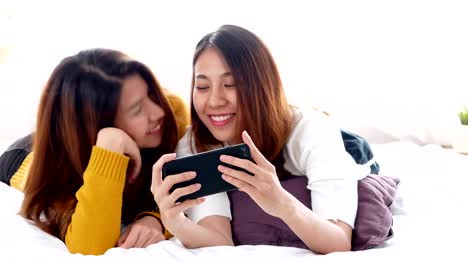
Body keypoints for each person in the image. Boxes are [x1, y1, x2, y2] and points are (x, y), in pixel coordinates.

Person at [167, 25, 369, 254]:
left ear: (261, 86)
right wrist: (175, 222)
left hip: (347, 147)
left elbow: (339, 241)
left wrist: (281, 203)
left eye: (230, 84)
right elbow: (219, 240)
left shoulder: (312, 131)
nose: (214, 101)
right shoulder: (194, 143)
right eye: (202, 86)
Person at [0, 48, 190, 255]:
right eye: (136, 110)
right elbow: (89, 247)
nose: (158, 111)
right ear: (100, 124)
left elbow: (191, 184)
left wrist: (156, 219)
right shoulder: (58, 174)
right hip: (27, 155)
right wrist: (110, 147)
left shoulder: (170, 114)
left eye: (153, 95)